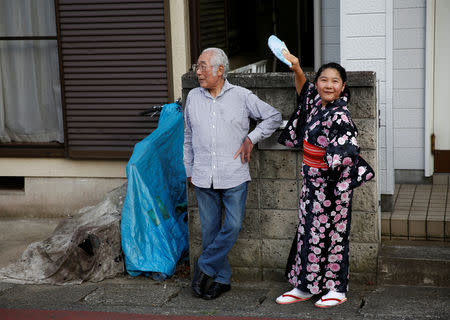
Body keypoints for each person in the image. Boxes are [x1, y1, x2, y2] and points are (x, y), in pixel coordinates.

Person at [276, 52, 374, 308]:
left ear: (343, 87)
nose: (328, 85)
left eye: (334, 81)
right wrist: (297, 66)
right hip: (312, 185)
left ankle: (336, 288)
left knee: (334, 236)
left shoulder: (340, 116)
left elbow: (347, 153)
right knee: (308, 234)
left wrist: (331, 183)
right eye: (323, 80)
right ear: (317, 83)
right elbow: (303, 90)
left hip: (333, 188)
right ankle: (307, 285)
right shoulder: (317, 103)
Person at [183, 47, 282, 300]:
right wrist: (189, 169)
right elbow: (187, 137)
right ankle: (221, 279)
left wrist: (252, 137)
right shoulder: (193, 97)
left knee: (234, 225)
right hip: (203, 174)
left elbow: (273, 116)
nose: (198, 71)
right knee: (209, 232)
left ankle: (204, 268)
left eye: (203, 66)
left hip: (234, 175)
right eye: (197, 66)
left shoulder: (241, 96)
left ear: (220, 70)